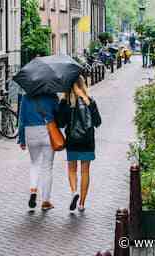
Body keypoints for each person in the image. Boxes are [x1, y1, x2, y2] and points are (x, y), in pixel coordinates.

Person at [57, 76, 102, 213]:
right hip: (87, 141)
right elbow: (98, 122)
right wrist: (86, 100)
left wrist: (62, 103)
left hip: (72, 140)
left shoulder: (65, 103)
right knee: (85, 171)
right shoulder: (90, 101)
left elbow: (60, 123)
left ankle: (73, 192)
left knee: (72, 169)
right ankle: (81, 203)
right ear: (83, 85)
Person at [18, 93, 59, 211]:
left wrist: (21, 138)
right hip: (47, 130)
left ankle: (33, 190)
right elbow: (58, 115)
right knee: (47, 166)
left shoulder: (26, 96)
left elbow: (22, 119)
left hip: (30, 131)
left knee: (34, 163)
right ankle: (46, 201)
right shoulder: (51, 95)